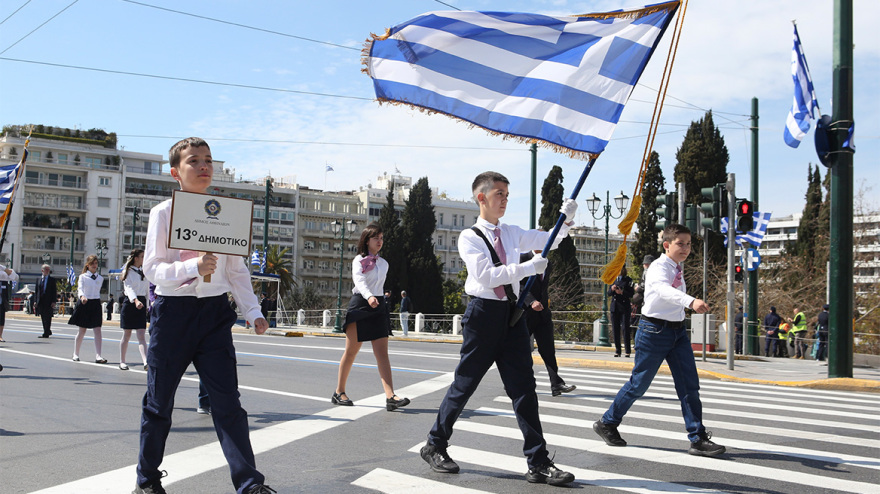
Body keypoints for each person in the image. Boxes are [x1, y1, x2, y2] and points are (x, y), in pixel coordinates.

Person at [134, 137, 274, 494]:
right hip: (173, 314)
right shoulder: (163, 213)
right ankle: (147, 479)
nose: (203, 166)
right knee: (159, 403)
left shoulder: (226, 213)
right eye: (194, 161)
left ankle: (249, 484)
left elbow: (237, 271)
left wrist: (252, 311)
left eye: (208, 160)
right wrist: (191, 266)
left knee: (228, 404)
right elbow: (152, 268)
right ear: (175, 172)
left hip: (214, 315)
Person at [420, 171, 576, 486]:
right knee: (465, 384)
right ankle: (435, 444)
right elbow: (486, 276)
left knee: (524, 389)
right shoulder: (469, 237)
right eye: (499, 194)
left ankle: (539, 461)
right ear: (482, 197)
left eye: (506, 194)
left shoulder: (511, 232)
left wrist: (566, 220)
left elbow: (550, 240)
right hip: (482, 316)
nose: (504, 199)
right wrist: (528, 267)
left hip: (513, 317)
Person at [593, 224, 725, 458]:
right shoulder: (658, 267)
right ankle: (607, 422)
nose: (686, 248)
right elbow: (663, 290)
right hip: (654, 331)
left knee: (689, 386)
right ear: (667, 245)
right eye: (680, 243)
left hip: (677, 333)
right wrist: (690, 301)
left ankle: (697, 437)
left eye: (689, 244)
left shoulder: (676, 268)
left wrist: (687, 306)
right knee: (639, 385)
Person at [332, 222, 410, 412]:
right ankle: (339, 392)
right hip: (361, 304)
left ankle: (390, 396)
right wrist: (369, 296)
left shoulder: (384, 264)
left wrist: (380, 298)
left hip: (378, 306)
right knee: (351, 352)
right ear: (367, 240)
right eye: (376, 238)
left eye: (382, 238)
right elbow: (358, 281)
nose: (380, 241)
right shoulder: (358, 260)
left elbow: (379, 285)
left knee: (382, 353)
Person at [520, 251, 576, 396]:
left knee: (548, 350)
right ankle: (515, 382)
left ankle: (556, 384)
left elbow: (543, 288)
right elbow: (518, 286)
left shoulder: (547, 262)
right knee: (521, 350)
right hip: (526, 314)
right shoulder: (523, 258)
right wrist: (531, 301)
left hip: (543, 314)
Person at [68, 255, 107, 363]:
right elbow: (80, 289)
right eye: (92, 264)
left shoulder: (100, 278)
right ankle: (75, 354)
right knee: (82, 330)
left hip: (95, 303)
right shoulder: (83, 277)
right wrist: (82, 297)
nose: (95, 266)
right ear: (88, 265)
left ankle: (98, 355)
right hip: (85, 302)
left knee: (98, 330)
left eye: (96, 263)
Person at [119, 249, 149, 371]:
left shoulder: (144, 272)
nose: (143, 259)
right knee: (127, 334)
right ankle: (122, 361)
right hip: (130, 303)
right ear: (136, 258)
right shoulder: (128, 272)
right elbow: (129, 288)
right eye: (142, 256)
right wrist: (136, 301)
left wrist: (147, 306)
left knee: (141, 335)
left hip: (141, 303)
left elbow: (147, 290)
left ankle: (146, 362)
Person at [608, 265, 635, 357]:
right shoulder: (613, 279)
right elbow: (608, 293)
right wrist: (612, 289)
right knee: (615, 329)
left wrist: (622, 292)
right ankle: (617, 350)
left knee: (625, 329)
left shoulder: (628, 280)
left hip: (624, 307)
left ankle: (627, 350)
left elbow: (631, 293)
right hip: (614, 307)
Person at [630, 255, 655, 331]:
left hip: (647, 298)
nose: (644, 265)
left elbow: (646, 285)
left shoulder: (649, 272)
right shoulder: (647, 271)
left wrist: (638, 288)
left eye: (646, 264)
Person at [34, 264, 57, 338]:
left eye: (48, 270)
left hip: (49, 301)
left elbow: (54, 291)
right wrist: (35, 301)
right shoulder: (38, 279)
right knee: (43, 316)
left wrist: (54, 301)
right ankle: (47, 330)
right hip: (41, 300)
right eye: (46, 269)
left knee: (48, 316)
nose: (47, 271)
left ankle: (46, 333)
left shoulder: (52, 280)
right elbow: (36, 291)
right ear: (42, 270)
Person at [0, 264, 20, 342]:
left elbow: (15, 277)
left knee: (1, 317)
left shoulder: (3, 269)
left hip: (2, 297)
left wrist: (5, 270)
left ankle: (0, 335)